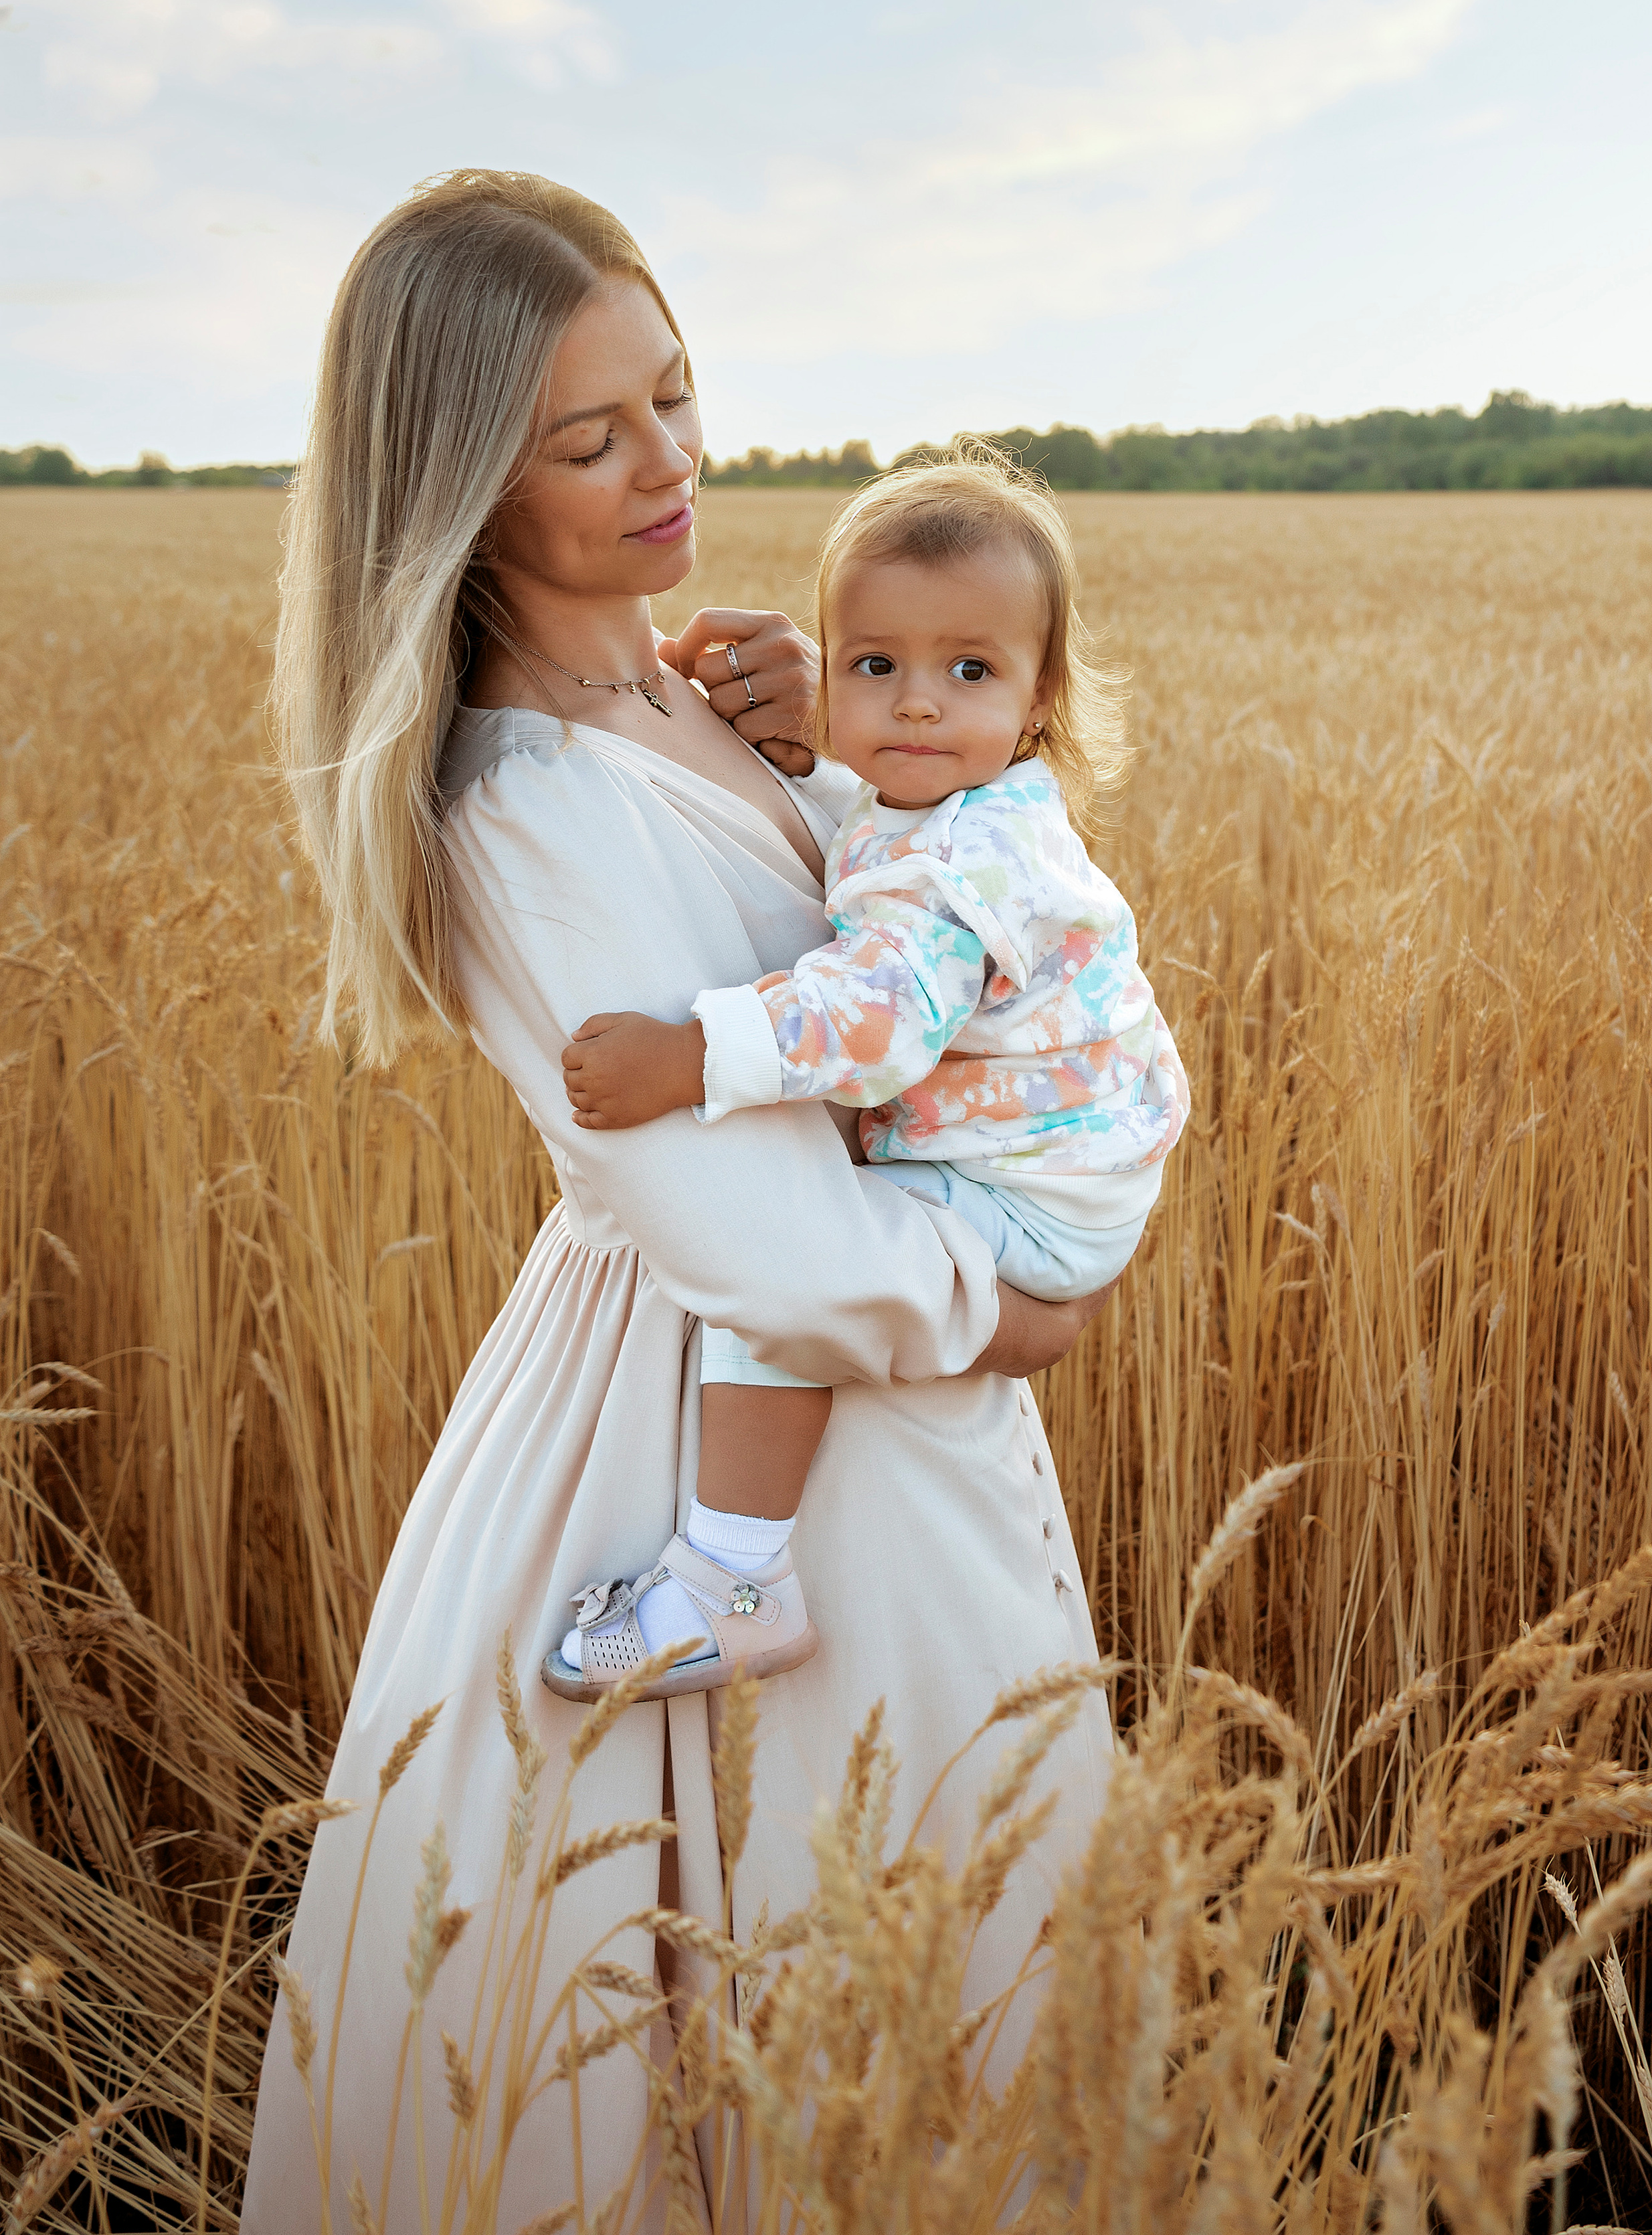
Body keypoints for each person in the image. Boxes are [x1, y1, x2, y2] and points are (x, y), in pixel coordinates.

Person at [245, 169, 1117, 2226]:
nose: (671, 463)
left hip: (857, 1381)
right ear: (464, 489)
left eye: (677, 392)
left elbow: (939, 944)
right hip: (722, 1435)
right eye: (591, 437)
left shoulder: (708, 694)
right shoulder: (521, 804)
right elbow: (758, 1240)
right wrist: (1018, 1306)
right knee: (781, 2015)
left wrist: (839, 752)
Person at [549, 450, 1190, 1700]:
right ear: (828, 671)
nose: (917, 706)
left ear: (1040, 696)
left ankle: (736, 1579)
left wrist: (693, 1056)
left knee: (788, 1271)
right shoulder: (973, 803)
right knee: (800, 1246)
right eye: (876, 666)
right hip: (1069, 1159)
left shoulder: (949, 868)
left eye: (969, 671)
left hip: (1031, 1193)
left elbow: (880, 1022)